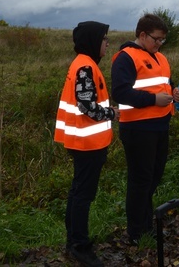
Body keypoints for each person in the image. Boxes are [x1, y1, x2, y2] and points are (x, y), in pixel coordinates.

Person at [111, 14, 179, 243]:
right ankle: (136, 231)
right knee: (140, 179)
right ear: (142, 35)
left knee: (154, 176)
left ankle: (145, 223)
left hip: (160, 124)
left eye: (163, 39)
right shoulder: (126, 57)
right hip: (137, 127)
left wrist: (173, 92)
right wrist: (153, 100)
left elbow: (164, 84)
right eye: (157, 39)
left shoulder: (160, 57)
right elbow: (121, 93)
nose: (160, 43)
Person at [54, 21, 117, 266]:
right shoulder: (85, 67)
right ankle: (78, 245)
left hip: (83, 140)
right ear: (92, 40)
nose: (107, 43)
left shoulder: (84, 63)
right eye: (104, 39)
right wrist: (111, 113)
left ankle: (74, 240)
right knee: (83, 195)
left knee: (78, 191)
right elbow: (86, 105)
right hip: (86, 143)